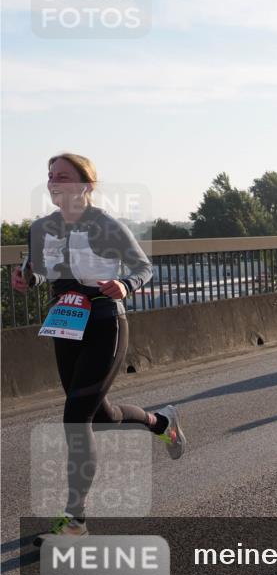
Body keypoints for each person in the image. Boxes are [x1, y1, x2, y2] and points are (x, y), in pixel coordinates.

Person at [12, 153, 186, 547]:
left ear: (86, 185)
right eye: (50, 176)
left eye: (63, 176)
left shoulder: (106, 225)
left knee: (77, 417)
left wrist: (125, 285)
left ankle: (75, 521)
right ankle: (161, 422)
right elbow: (38, 271)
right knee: (101, 415)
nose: (54, 182)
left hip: (106, 323)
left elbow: (142, 267)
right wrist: (25, 279)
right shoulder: (41, 228)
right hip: (65, 325)